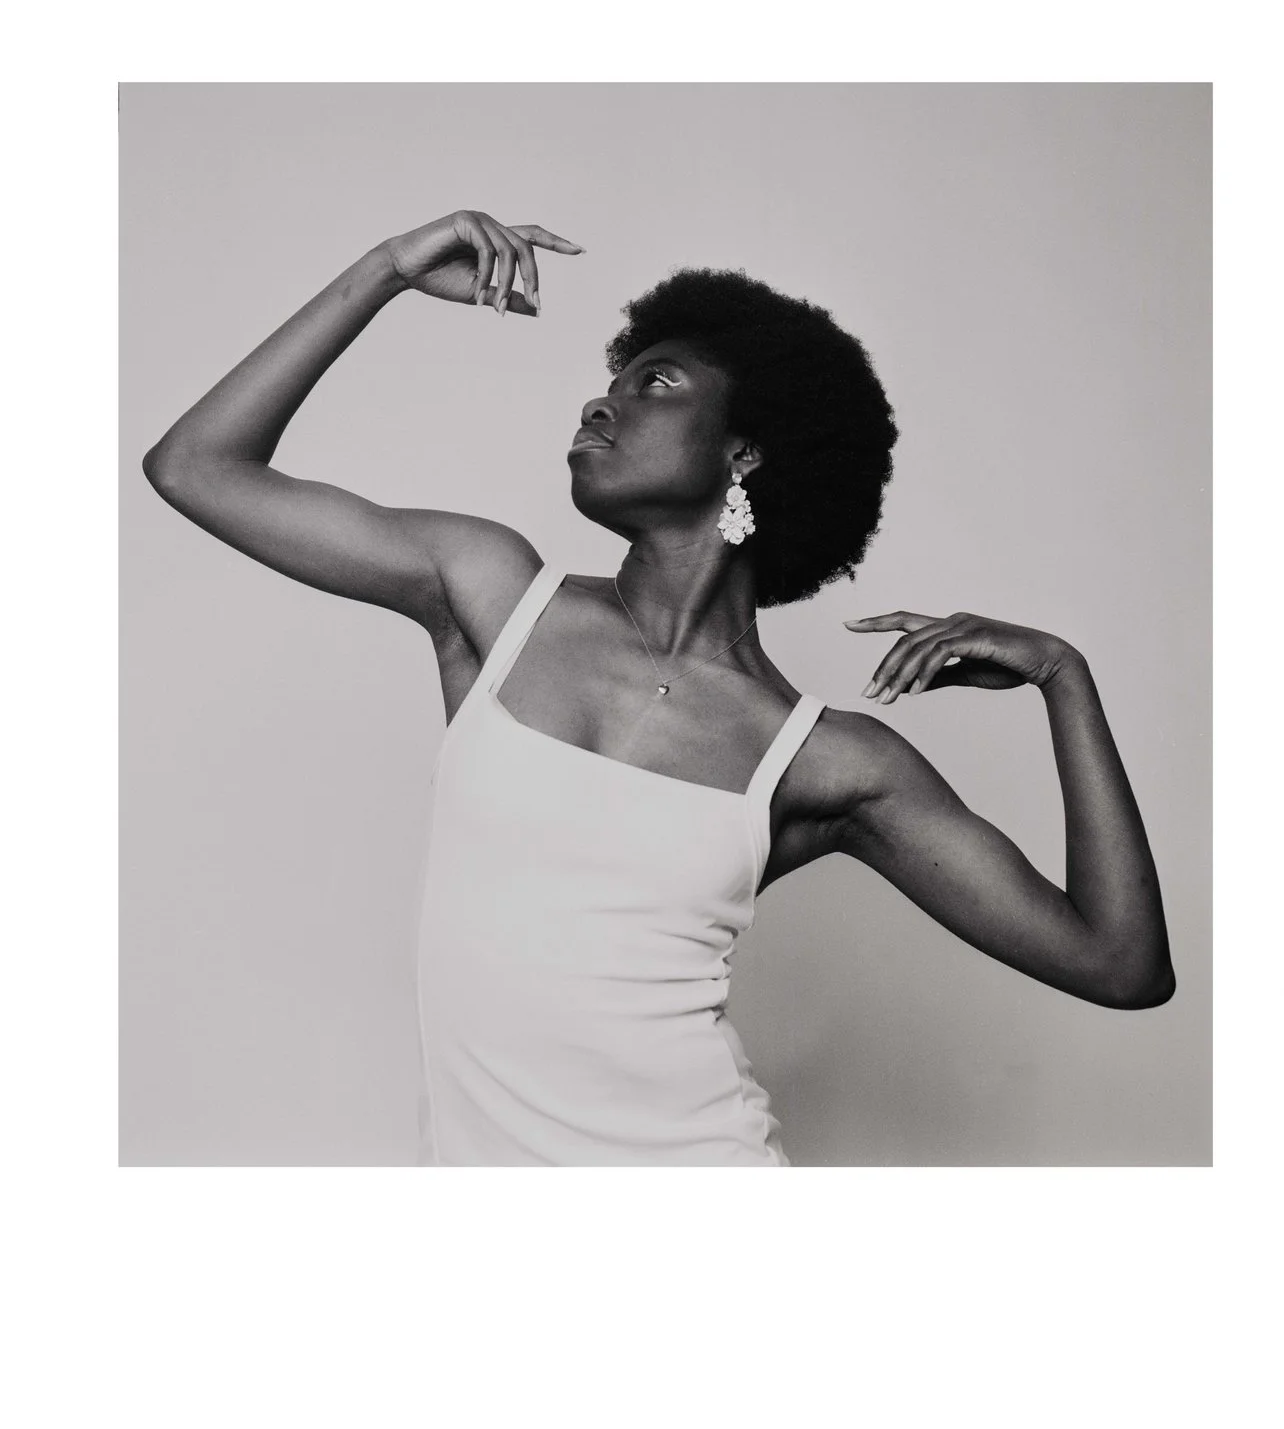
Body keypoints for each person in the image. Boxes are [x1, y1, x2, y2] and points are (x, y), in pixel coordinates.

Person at [143, 209, 1175, 1165]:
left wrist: (1062, 677)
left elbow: (1119, 964)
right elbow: (194, 465)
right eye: (613, 380)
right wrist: (385, 270)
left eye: (657, 383)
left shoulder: (821, 758)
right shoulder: (494, 596)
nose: (604, 399)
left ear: (744, 452)